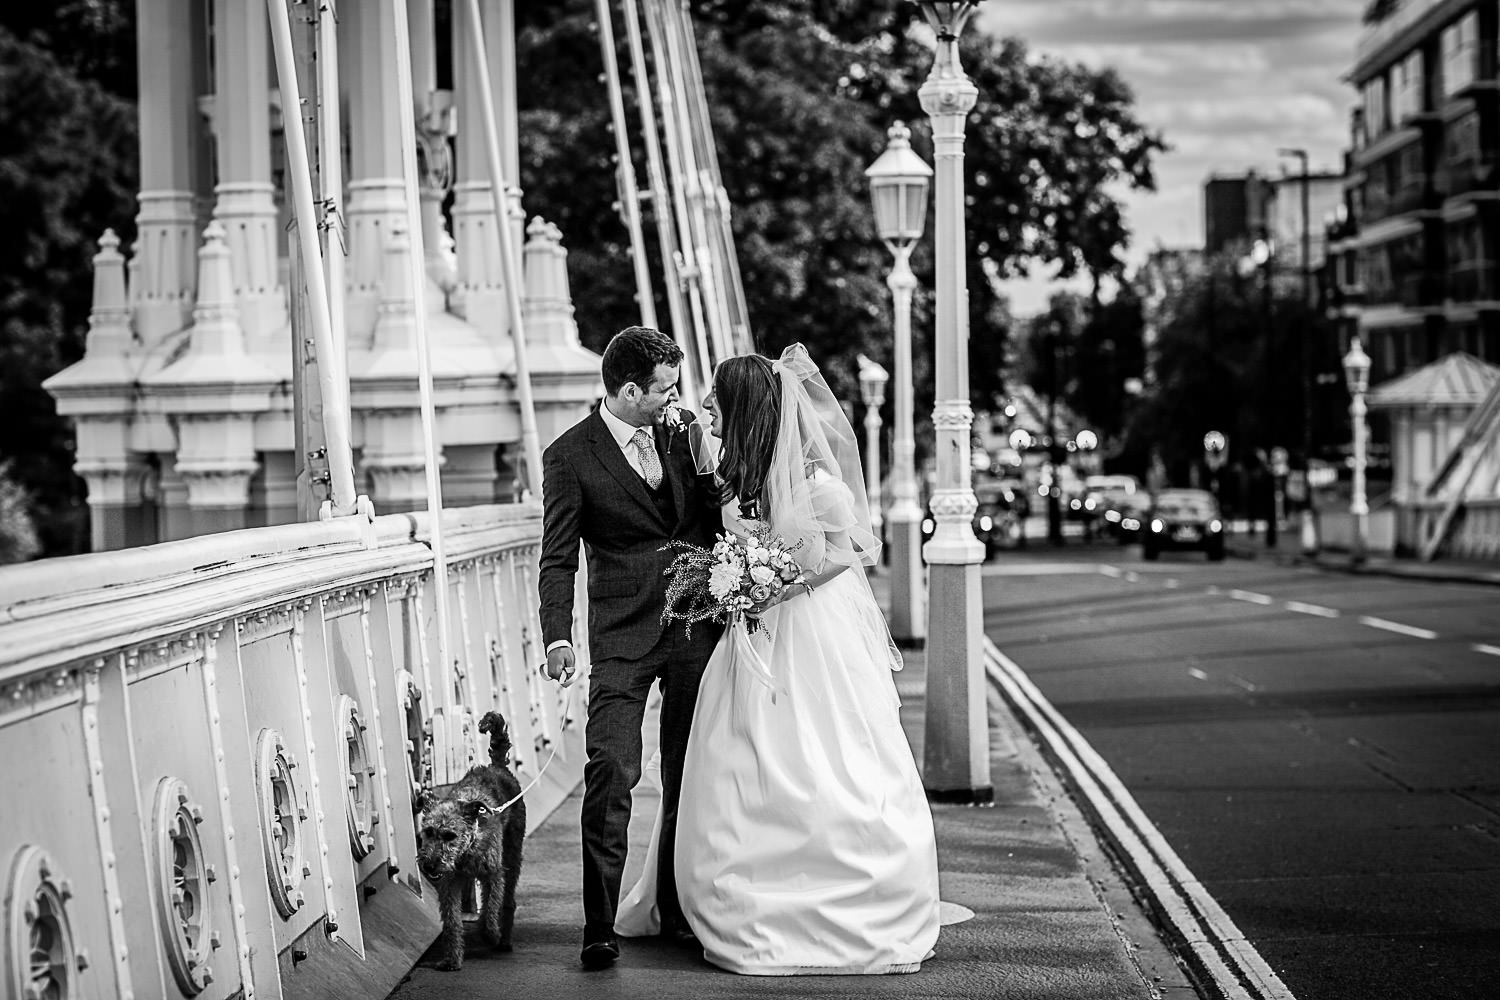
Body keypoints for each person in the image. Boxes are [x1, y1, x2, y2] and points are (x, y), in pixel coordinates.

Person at [615, 343, 942, 975]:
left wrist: (771, 586)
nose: (706, 404)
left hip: (809, 633)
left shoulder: (818, 485)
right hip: (748, 636)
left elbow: (847, 555)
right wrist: (736, 582)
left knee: (823, 759)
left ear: (742, 408)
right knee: (733, 761)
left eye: (717, 397)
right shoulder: (734, 479)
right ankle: (731, 901)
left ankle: (832, 902)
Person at [537, 326, 723, 970]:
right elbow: (558, 559)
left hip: (696, 626)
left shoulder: (682, 434)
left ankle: (677, 909)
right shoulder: (569, 457)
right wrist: (557, 635)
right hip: (620, 638)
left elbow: (713, 514)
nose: (677, 398)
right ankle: (598, 924)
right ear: (630, 390)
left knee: (689, 770)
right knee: (612, 771)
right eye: (667, 388)